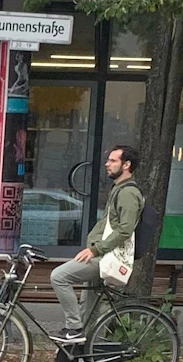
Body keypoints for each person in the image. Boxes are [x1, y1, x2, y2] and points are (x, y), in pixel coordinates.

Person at [50, 145, 144, 340]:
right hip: (102, 255)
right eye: (108, 160)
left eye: (113, 161)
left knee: (59, 276)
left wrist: (95, 249)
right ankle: (84, 357)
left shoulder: (127, 193)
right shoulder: (118, 189)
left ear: (126, 165)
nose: (107, 164)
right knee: (88, 309)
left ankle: (73, 328)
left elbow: (125, 229)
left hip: (107, 257)